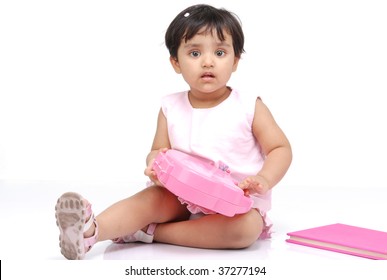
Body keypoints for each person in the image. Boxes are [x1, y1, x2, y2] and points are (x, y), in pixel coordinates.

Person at [55, 4, 292, 260]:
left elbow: (280, 148)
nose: (208, 61)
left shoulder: (249, 106)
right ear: (176, 62)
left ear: (235, 61)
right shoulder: (171, 106)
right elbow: (158, 149)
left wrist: (265, 179)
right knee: (149, 200)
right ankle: (90, 230)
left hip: (233, 204)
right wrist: (154, 164)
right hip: (179, 196)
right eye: (194, 53)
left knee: (246, 229)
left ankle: (152, 232)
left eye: (220, 52)